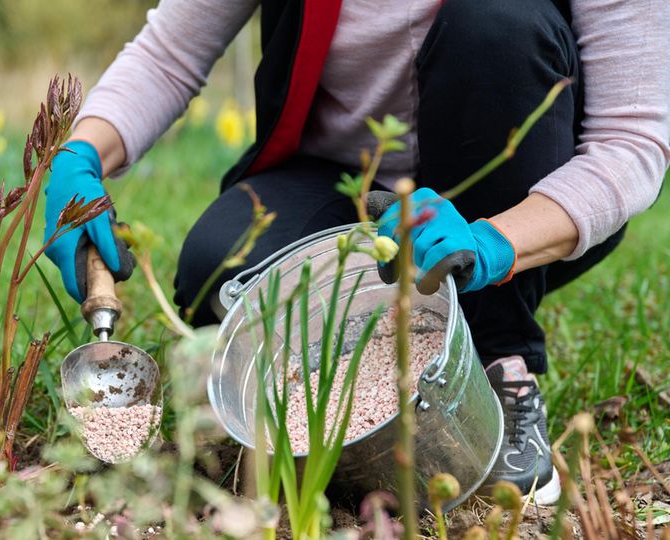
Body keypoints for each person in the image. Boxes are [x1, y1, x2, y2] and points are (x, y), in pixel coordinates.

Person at [43, 0, 670, 505]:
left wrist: (496, 239)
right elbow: (167, 56)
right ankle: (346, 368)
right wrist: (81, 153)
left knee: (497, 24)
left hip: (509, 199)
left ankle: (499, 362)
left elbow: (633, 140)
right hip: (338, 177)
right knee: (221, 273)